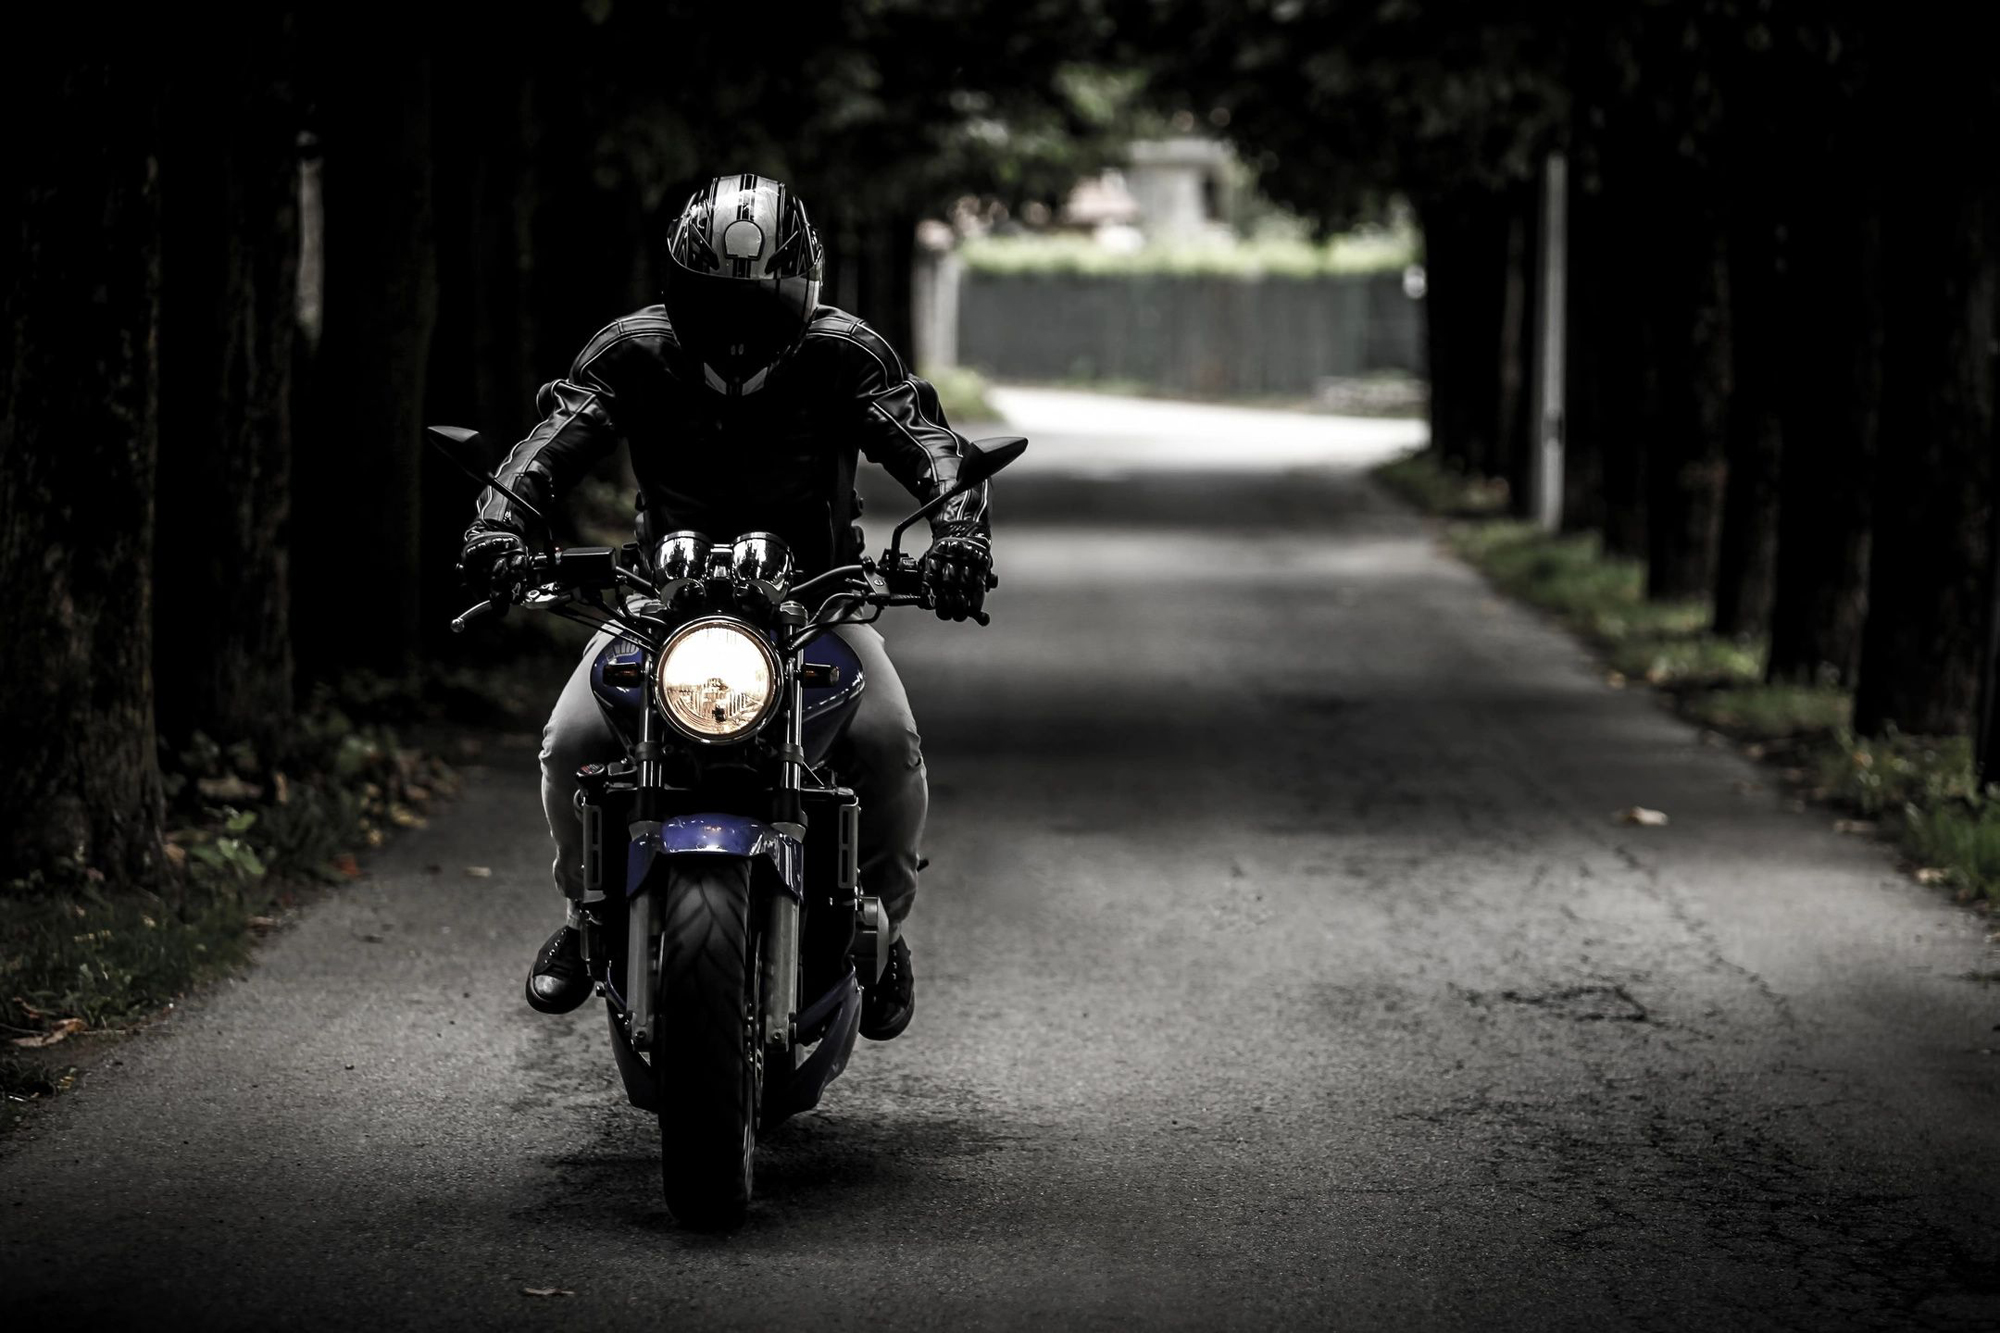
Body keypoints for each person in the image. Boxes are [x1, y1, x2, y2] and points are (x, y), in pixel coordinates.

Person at [458, 174, 993, 1042]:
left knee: (887, 743)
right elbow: (547, 447)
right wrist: (497, 525)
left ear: (802, 289)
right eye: (715, 300)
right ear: (678, 286)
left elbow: (929, 444)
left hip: (818, 601)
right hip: (657, 603)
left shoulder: (847, 354)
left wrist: (960, 534)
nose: (738, 328)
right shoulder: (630, 352)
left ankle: (885, 927)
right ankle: (587, 913)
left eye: (760, 300)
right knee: (573, 742)